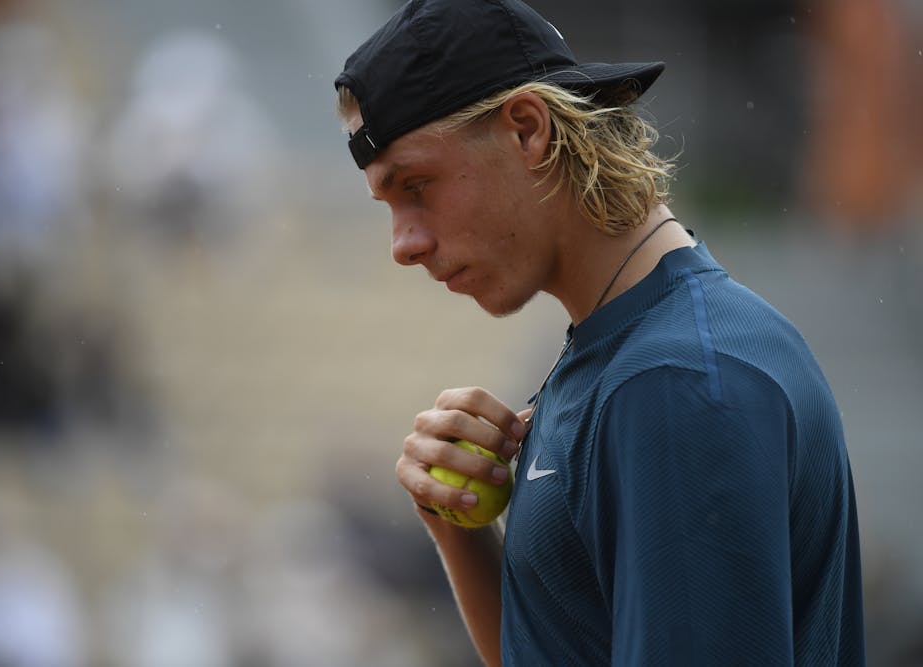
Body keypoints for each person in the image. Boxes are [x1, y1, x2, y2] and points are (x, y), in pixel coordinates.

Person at [334, 1, 865, 664]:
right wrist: (456, 529)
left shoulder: (677, 384)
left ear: (528, 129)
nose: (403, 245)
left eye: (417, 184)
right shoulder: (628, 345)